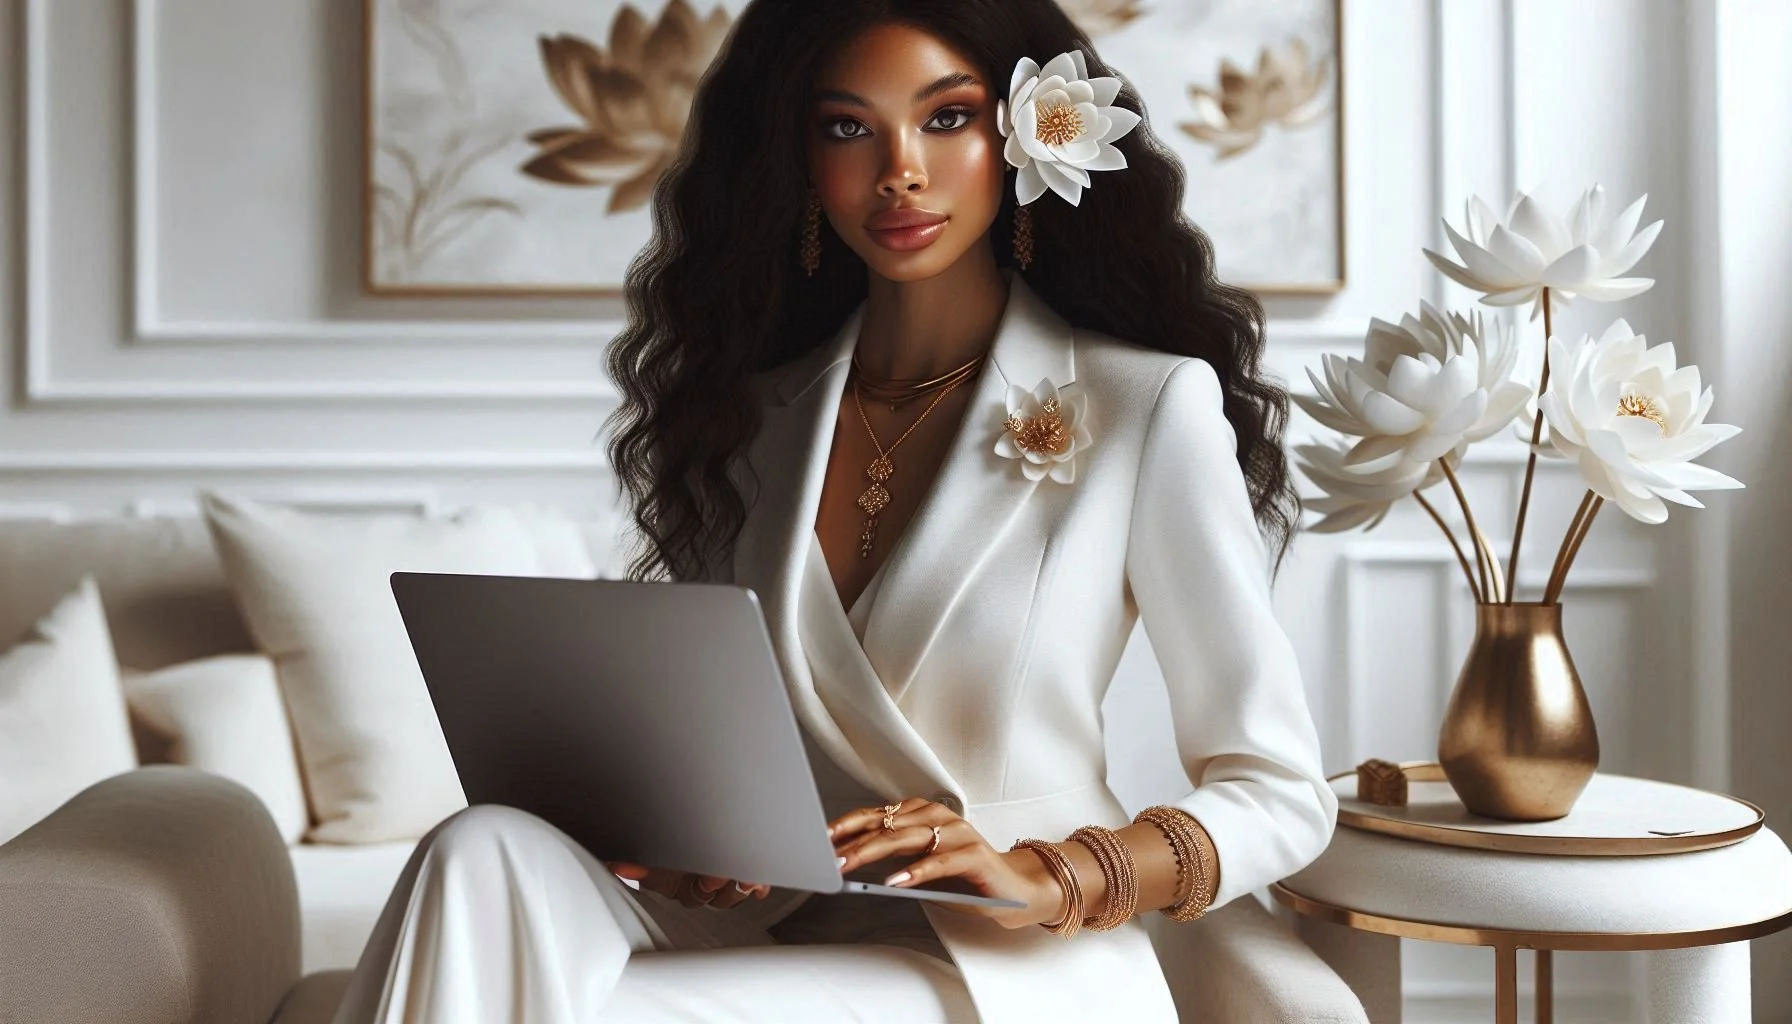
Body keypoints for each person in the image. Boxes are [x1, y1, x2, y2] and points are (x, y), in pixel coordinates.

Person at [334, 1, 1341, 1021]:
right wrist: (686, 847)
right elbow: (733, 747)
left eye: (946, 118)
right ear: (800, 159)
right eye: (848, 128)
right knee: (478, 846)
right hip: (778, 927)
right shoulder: (755, 420)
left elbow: (1281, 791)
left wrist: (1060, 873)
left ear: (1025, 137)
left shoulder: (1145, 406)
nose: (898, 168)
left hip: (1004, 964)